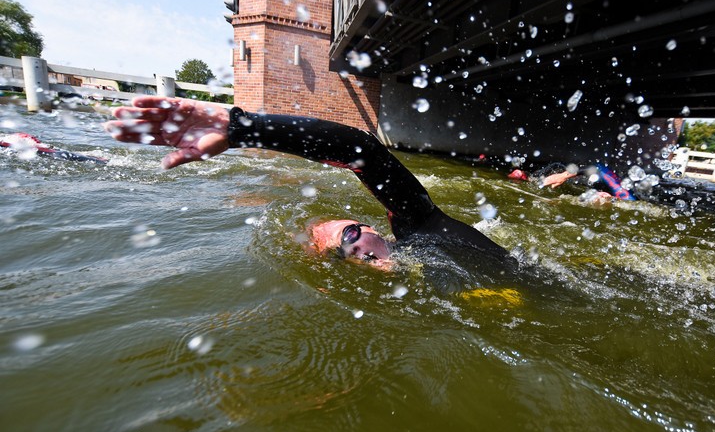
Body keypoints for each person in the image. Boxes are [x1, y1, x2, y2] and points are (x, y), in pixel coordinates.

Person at [105, 96, 511, 269]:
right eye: (344, 252)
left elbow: (363, 151)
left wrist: (244, 128)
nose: (356, 251)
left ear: (371, 227)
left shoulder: (420, 229)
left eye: (352, 234)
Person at [509, 162, 636, 202]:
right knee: (556, 170)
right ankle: (525, 176)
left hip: (583, 188)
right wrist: (564, 176)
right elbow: (599, 168)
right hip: (579, 178)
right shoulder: (625, 196)